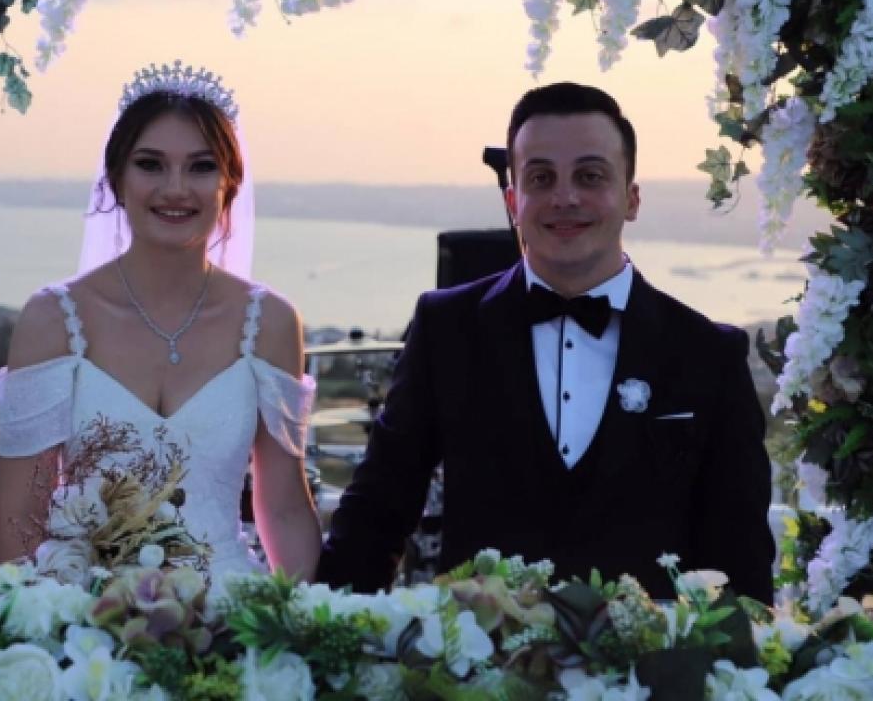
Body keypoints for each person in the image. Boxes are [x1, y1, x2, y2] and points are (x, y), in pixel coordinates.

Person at [315, 82, 775, 602]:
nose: (565, 197)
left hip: (650, 653)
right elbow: (378, 511)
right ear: (513, 200)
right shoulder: (447, 329)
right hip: (476, 652)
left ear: (632, 198)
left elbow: (740, 555)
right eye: (541, 178)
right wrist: (329, 631)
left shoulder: (708, 353)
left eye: (590, 176)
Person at [0, 61, 321, 583]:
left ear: (230, 184)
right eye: (150, 164)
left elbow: (282, 509)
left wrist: (300, 618)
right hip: (85, 609)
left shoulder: (272, 322)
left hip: (228, 605)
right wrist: (36, 617)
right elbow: (21, 521)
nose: (175, 188)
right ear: (117, 179)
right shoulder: (52, 319)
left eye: (201, 167)